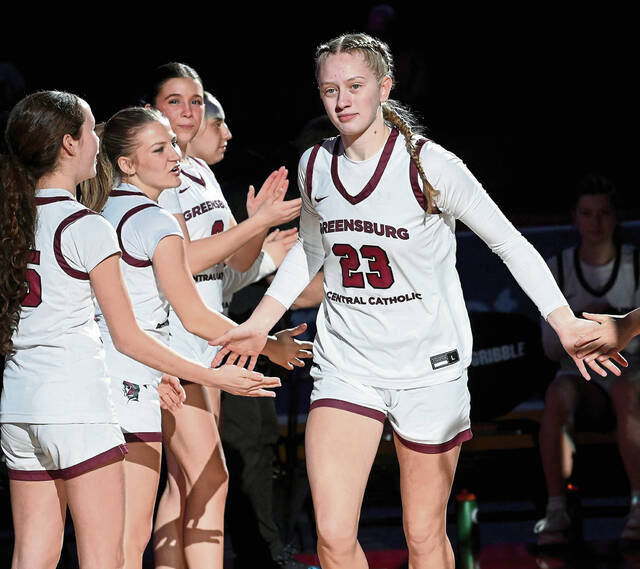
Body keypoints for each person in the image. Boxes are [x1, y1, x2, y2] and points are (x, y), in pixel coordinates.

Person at [211, 33, 625, 569]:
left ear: (384, 87)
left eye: (355, 86)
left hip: (429, 367)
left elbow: (508, 242)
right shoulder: (315, 164)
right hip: (348, 362)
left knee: (423, 535)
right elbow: (311, 250)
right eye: (329, 89)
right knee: (333, 538)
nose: (342, 101)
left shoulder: (431, 166)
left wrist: (564, 320)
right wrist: (261, 321)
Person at [0, 91, 279, 569]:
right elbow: (129, 334)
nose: (97, 140)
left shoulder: (16, 217)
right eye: (90, 131)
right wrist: (218, 375)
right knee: (113, 553)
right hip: (87, 401)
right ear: (69, 144)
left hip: (19, 403)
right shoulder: (92, 223)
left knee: (34, 555)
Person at [80, 106, 312, 569]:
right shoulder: (155, 221)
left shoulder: (105, 210)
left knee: (126, 527)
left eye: (173, 145)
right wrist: (267, 344)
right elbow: (194, 317)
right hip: (139, 375)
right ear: (127, 163)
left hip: (114, 373)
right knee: (131, 532)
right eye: (161, 149)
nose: (175, 157)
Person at [141, 63, 306, 569]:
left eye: (196, 101)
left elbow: (231, 265)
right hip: (173, 338)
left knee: (186, 482)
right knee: (204, 479)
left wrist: (258, 234)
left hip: (206, 337)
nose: (189, 112)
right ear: (152, 109)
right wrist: (255, 225)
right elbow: (184, 260)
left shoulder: (198, 171)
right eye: (176, 101)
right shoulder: (155, 173)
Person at [534, 175, 640, 546]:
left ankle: (638, 506)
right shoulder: (557, 268)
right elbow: (549, 346)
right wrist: (582, 331)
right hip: (577, 373)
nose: (595, 222)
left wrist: (619, 325)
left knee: (630, 391)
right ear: (574, 218)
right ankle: (557, 508)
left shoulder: (635, 265)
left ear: (615, 218)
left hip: (630, 371)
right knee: (556, 398)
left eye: (603, 213)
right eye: (587, 213)